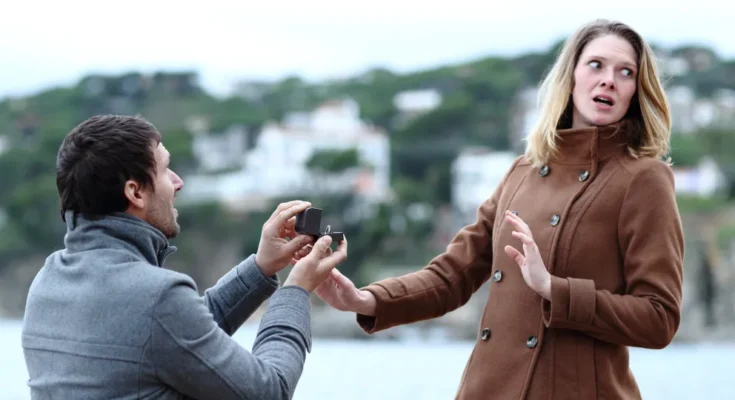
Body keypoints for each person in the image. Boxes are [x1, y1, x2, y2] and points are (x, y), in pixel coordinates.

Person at [315, 18, 684, 399]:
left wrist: (555, 290)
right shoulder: (522, 171)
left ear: (635, 92)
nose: (609, 79)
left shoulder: (643, 180)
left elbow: (659, 318)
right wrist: (366, 299)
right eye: (597, 65)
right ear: (571, 76)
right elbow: (452, 276)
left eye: (626, 73)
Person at [21, 114, 348, 400]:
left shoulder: (48, 280)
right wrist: (297, 291)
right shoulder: (156, 297)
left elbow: (177, 337)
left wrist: (261, 267)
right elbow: (270, 391)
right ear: (135, 192)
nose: (178, 182)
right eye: (165, 170)